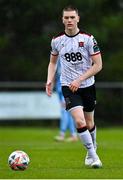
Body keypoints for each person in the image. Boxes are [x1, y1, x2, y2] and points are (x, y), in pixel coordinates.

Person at [46, 5, 103, 168]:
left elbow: (98, 65)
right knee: (79, 122)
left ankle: (92, 149)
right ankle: (94, 157)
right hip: (68, 86)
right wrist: (49, 80)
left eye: (72, 17)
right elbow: (52, 62)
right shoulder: (56, 40)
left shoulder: (88, 39)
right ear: (62, 20)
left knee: (89, 122)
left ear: (78, 18)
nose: (69, 20)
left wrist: (80, 79)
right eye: (66, 17)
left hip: (87, 86)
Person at [54, 60, 78, 142]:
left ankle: (63, 134)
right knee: (68, 111)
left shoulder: (66, 57)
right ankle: (73, 134)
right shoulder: (58, 58)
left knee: (65, 110)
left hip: (65, 88)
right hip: (60, 88)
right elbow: (56, 74)